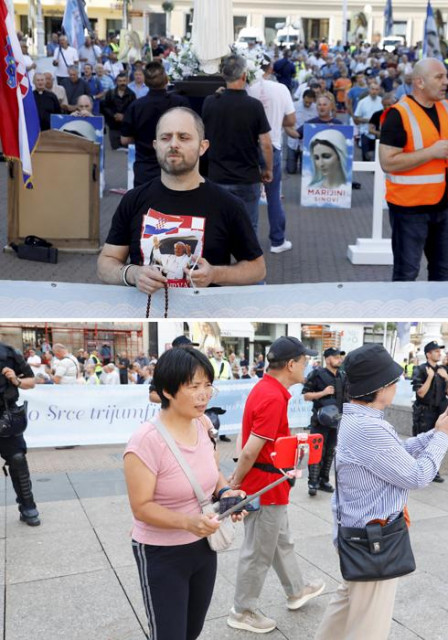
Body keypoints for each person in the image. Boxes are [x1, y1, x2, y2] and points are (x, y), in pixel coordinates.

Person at [314, 343, 448, 640]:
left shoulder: (360, 418)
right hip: (373, 539)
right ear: (379, 387)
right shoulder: (368, 427)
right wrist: (443, 437)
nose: (397, 386)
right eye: (393, 381)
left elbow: (396, 453)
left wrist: (434, 433)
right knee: (369, 626)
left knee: (345, 607)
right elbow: (417, 475)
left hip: (358, 533)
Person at [123, 346, 246, 640]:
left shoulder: (202, 424)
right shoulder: (145, 442)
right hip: (161, 553)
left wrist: (226, 492)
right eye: (193, 387)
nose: (203, 395)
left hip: (204, 547)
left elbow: (211, 471)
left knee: (192, 630)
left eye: (207, 386)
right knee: (169, 634)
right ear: (166, 390)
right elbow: (141, 507)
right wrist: (187, 522)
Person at [98, 107, 266, 294]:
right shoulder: (133, 200)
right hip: (146, 313)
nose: (173, 144)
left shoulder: (228, 205)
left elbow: (257, 269)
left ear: (203, 147)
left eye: (183, 137)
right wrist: (133, 274)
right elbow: (105, 263)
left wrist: (215, 274)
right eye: (165, 137)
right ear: (155, 145)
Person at [228, 337, 325, 633]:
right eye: (305, 361)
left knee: (281, 541)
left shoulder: (267, 389)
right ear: (292, 364)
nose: (307, 366)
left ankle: (296, 590)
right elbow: (249, 449)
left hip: (272, 485)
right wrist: (235, 484)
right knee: (258, 551)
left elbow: (248, 443)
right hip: (265, 486)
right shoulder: (272, 397)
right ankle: (242, 610)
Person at [379, 58, 448, 282]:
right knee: (407, 273)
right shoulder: (398, 114)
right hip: (409, 209)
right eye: (439, 77)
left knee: (444, 271)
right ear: (420, 82)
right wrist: (431, 153)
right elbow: (387, 162)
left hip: (443, 207)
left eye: (446, 76)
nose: (447, 81)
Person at [201, 54, 273, 239]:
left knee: (218, 226)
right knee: (249, 226)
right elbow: (265, 143)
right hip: (247, 177)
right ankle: (249, 264)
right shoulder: (254, 106)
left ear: (224, 76)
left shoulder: (210, 103)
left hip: (217, 176)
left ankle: (218, 264)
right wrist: (268, 169)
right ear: (244, 75)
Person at [247, 56, 296, 253]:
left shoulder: (246, 89)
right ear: (271, 68)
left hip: (249, 148)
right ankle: (277, 241)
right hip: (272, 144)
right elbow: (291, 119)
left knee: (248, 196)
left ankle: (248, 244)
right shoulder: (281, 89)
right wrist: (275, 122)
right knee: (273, 196)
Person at [120, 61, 190, 187]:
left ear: (145, 82)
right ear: (166, 79)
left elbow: (125, 140)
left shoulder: (136, 106)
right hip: (174, 168)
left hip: (145, 170)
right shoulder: (180, 103)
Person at [0, 342, 40, 526]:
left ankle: (28, 506)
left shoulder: (9, 352)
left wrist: (16, 380)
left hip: (6, 416)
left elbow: (31, 381)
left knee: (17, 459)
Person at [302, 347, 346, 496]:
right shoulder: (316, 374)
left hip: (336, 422)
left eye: (339, 357)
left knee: (330, 452)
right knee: (317, 452)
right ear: (327, 359)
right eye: (335, 357)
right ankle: (312, 482)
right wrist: (323, 393)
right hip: (319, 422)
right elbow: (306, 396)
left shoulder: (342, 376)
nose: (339, 359)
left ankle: (323, 481)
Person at [411, 340, 448, 482]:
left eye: (439, 351)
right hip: (424, 412)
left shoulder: (443, 370)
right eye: (436, 351)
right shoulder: (421, 369)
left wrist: (447, 379)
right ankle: (416, 470)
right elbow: (420, 393)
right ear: (428, 354)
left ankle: (434, 471)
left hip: (439, 412)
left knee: (436, 442)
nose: (439, 353)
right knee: (421, 441)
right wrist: (429, 377)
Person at [101, 72, 136, 150]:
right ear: (116, 82)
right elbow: (105, 107)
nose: (122, 83)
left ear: (127, 81)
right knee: (115, 147)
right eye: (120, 81)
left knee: (126, 147)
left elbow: (133, 109)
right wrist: (113, 115)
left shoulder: (131, 94)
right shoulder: (110, 93)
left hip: (126, 125)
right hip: (113, 125)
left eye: (124, 81)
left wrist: (124, 116)